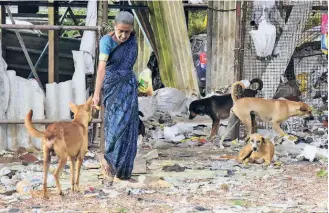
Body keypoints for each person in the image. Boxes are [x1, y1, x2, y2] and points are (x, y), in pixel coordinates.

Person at [92, 11, 139, 182]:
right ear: (114, 27)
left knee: (129, 127)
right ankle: (110, 165)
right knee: (116, 125)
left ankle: (124, 172)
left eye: (127, 31)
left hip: (129, 86)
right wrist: (96, 94)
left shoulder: (133, 40)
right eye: (121, 31)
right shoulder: (107, 42)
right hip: (113, 86)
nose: (124, 35)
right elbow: (102, 69)